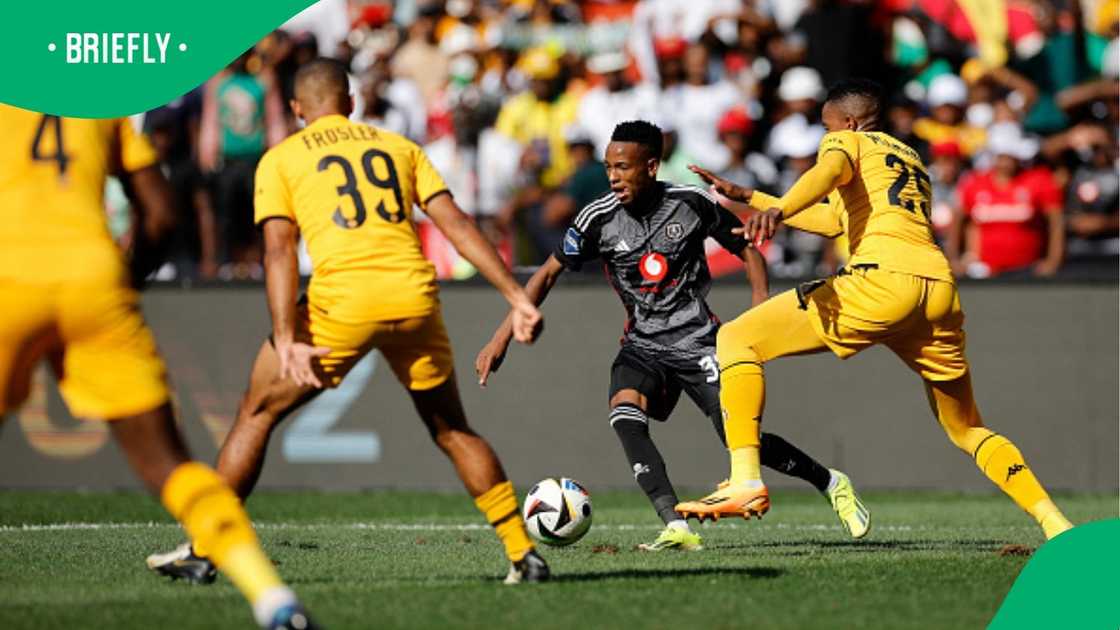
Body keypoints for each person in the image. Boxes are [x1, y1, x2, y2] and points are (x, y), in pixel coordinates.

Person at [146, 58, 551, 584]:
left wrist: (287, 336)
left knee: (256, 413)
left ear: (295, 110)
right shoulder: (399, 147)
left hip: (342, 303)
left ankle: (204, 549)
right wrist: (517, 296)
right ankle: (522, 553)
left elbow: (278, 249)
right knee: (452, 428)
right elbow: (453, 221)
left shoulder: (282, 157)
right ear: (352, 102)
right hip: (414, 295)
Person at [676, 80, 1074, 543]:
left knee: (736, 339)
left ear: (848, 123)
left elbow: (828, 170)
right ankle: (1054, 522)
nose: (826, 138)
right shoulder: (907, 159)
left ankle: (746, 479)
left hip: (881, 282)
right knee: (967, 428)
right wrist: (751, 197)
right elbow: (833, 220)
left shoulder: (847, 141)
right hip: (938, 291)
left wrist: (781, 209)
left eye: (827, 128)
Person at [475, 121, 870, 551]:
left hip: (701, 343)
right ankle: (675, 525)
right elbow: (548, 272)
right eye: (609, 167)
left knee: (741, 440)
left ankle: (830, 481)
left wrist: (758, 311)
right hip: (643, 346)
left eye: (622, 167)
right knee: (625, 417)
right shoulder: (597, 217)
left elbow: (747, 249)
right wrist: (501, 336)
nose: (613, 177)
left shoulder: (690, 202)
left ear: (650, 166)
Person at [0, 106, 317, 629]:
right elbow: (162, 213)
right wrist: (125, 282)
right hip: (92, 278)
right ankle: (274, 601)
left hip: (9, 277)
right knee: (171, 465)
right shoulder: (97, 99)